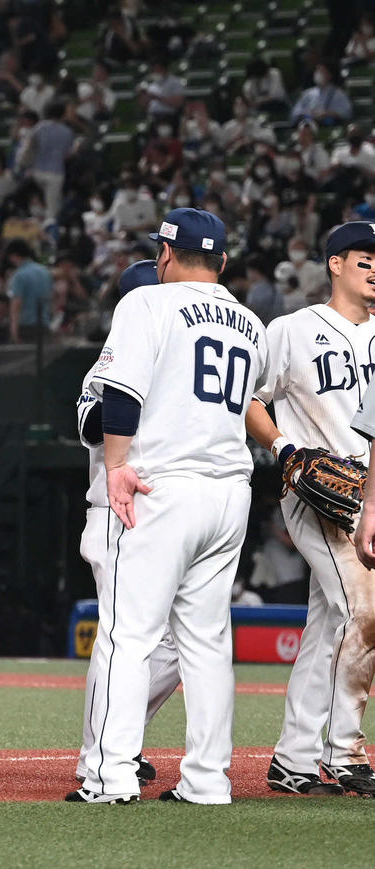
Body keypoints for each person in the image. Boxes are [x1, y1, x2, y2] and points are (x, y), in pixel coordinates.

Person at [72, 208, 268, 805]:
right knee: (206, 643)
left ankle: (109, 777)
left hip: (163, 487)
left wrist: (116, 467)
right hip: (230, 491)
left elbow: (121, 397)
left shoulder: (147, 303)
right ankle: (207, 781)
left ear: (164, 254)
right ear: (223, 261)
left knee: (127, 636)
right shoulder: (251, 322)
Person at [253, 222, 375, 797]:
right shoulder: (292, 330)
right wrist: (284, 448)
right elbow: (249, 400)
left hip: (369, 493)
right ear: (334, 263)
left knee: (329, 625)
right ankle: (346, 753)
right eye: (363, 258)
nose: (373, 268)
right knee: (364, 612)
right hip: (317, 490)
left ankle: (293, 760)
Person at [72, 260, 182, 790]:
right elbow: (92, 425)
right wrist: (141, 387)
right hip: (115, 513)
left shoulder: (180, 358)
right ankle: (99, 756)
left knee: (175, 647)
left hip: (167, 514)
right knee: (123, 639)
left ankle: (117, 739)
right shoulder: (108, 364)